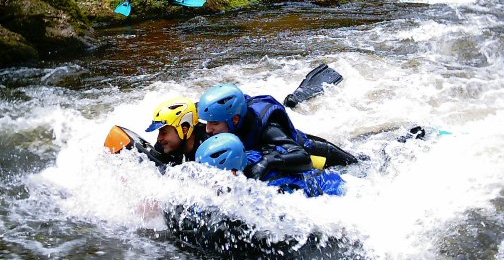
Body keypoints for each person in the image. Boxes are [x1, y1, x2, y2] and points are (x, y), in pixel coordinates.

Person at [197, 83, 358, 179]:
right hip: (285, 148)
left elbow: (304, 158)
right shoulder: (230, 116)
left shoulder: (268, 129)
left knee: (359, 167)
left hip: (320, 156)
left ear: (235, 120)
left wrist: (267, 162)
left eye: (214, 123)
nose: (208, 129)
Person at [196, 133, 346, 197]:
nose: (209, 180)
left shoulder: (271, 188)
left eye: (214, 175)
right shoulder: (244, 159)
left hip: (334, 191)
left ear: (233, 171)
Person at [145, 96, 209, 166]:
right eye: (159, 132)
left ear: (184, 130)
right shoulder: (163, 146)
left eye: (164, 132)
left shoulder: (209, 147)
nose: (159, 138)